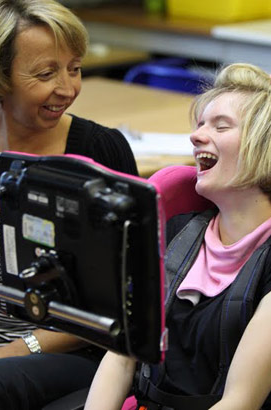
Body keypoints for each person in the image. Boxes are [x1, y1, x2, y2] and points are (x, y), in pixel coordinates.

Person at [85, 62, 271, 410]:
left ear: (264, 146)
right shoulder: (174, 231)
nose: (196, 136)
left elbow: (240, 401)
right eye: (200, 124)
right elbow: (121, 358)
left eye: (221, 126)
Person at [0, 0, 138, 409]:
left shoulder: (98, 152)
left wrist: (18, 349)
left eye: (74, 68)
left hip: (77, 352)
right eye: (45, 74)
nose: (67, 88)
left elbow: (123, 303)